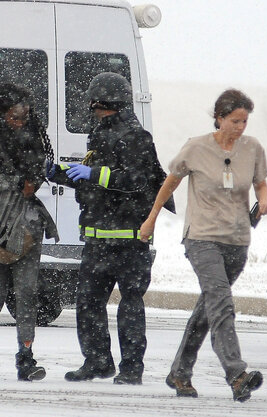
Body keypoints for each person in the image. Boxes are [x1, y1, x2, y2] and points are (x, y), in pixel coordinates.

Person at [139, 89, 267, 401]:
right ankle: (237, 374)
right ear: (220, 118)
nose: (240, 127)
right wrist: (151, 218)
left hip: (237, 241)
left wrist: (264, 201)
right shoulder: (195, 148)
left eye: (244, 121)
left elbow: (261, 183)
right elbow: (170, 182)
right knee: (221, 303)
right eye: (235, 121)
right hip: (201, 238)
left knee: (208, 309)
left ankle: (179, 373)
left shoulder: (252, 148)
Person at [47, 72, 172, 385]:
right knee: (88, 303)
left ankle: (131, 369)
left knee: (130, 305)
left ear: (101, 102)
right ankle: (98, 362)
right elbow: (95, 177)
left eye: (94, 104)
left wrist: (93, 174)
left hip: (130, 240)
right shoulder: (100, 133)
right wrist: (57, 173)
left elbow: (135, 181)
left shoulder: (135, 136)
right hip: (97, 238)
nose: (92, 110)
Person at [0, 83, 59, 381]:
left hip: (28, 223)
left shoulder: (35, 138)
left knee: (27, 293)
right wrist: (16, 181)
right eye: (15, 116)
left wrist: (35, 181)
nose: (21, 121)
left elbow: (41, 170)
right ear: (1, 114)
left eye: (25, 115)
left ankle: (26, 358)